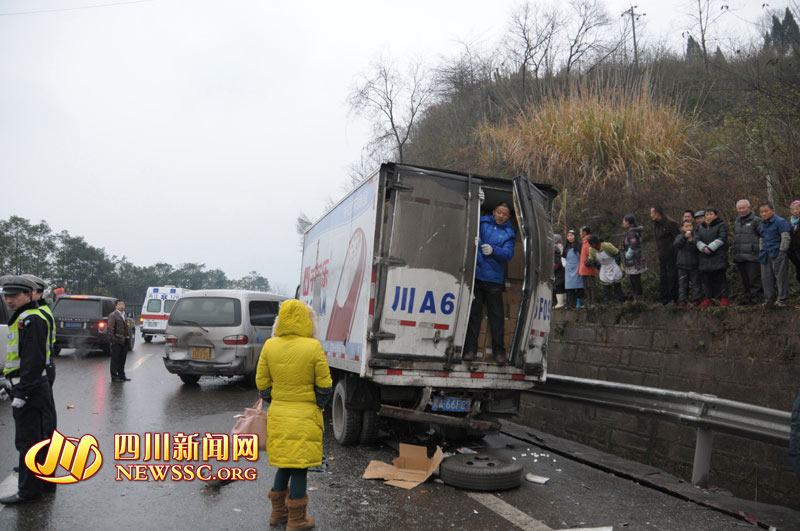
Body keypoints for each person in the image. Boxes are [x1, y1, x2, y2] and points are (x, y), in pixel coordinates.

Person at [257, 299, 332, 531]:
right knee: (299, 466)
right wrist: (317, 404)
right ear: (307, 321)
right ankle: (297, 520)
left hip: (279, 414)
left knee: (283, 465)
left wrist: (275, 399)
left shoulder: (270, 345)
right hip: (305, 415)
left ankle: (277, 514)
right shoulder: (313, 347)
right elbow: (325, 384)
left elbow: (262, 384)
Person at [0, 275, 56, 505]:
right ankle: (45, 483)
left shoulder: (30, 319)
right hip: (32, 385)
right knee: (42, 436)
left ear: (29, 295)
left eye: (15, 295)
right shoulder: (27, 316)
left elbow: (32, 361)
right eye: (6, 295)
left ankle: (28, 491)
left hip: (31, 386)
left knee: (28, 441)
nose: (9, 300)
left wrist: (22, 392)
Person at [463, 202, 515, 364]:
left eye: (504, 214)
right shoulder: (482, 223)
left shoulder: (509, 234)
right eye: (498, 212)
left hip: (494, 280)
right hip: (477, 276)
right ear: (493, 212)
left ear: (508, 217)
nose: (500, 216)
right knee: (474, 315)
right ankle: (470, 350)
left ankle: (499, 352)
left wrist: (494, 250)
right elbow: (468, 229)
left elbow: (508, 255)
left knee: (496, 317)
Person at [758, 202, 791, 307]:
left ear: (772, 211)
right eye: (761, 212)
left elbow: (785, 237)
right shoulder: (762, 224)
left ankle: (782, 299)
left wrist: (782, 251)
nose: (764, 214)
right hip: (765, 254)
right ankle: (769, 298)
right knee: (766, 278)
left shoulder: (780, 221)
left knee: (780, 277)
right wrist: (761, 249)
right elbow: (761, 238)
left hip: (777, 252)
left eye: (766, 211)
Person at [695, 208, 730, 307]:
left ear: (715, 215)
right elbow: (696, 239)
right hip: (704, 256)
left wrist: (711, 247)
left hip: (718, 255)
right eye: (707, 214)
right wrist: (703, 247)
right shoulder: (700, 227)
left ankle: (724, 298)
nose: (708, 216)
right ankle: (708, 298)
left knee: (721, 278)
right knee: (706, 280)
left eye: (711, 214)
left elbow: (722, 237)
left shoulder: (721, 225)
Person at [732, 200, 762, 305]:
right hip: (740, 255)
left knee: (754, 279)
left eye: (744, 208)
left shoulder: (756, 220)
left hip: (752, 255)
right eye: (739, 208)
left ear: (749, 208)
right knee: (745, 280)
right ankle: (747, 297)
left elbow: (762, 236)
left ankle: (756, 299)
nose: (742, 210)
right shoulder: (737, 222)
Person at [651, 205, 681, 305]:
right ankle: (664, 299)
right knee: (663, 278)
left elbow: (678, 239)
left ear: (657, 213)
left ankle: (673, 299)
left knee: (672, 277)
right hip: (662, 256)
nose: (651, 215)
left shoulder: (671, 223)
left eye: (652, 213)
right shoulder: (656, 224)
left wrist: (675, 254)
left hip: (671, 256)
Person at [587, 235, 624, 303]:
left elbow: (617, 253)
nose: (591, 245)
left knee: (617, 284)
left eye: (592, 244)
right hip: (604, 266)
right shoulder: (591, 250)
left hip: (613, 264)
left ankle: (620, 300)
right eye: (590, 244)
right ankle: (607, 302)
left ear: (596, 242)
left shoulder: (607, 246)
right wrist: (597, 266)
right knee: (605, 285)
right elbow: (591, 259)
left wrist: (617, 264)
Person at [674, 219, 702, 307]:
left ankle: (696, 299)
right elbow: (676, 245)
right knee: (683, 284)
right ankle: (682, 300)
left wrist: (691, 241)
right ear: (682, 228)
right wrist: (684, 237)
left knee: (696, 283)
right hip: (682, 265)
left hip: (694, 264)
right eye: (686, 226)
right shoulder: (679, 236)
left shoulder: (696, 236)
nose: (688, 228)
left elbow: (697, 247)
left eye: (690, 226)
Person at [621, 214, 646, 301]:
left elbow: (633, 243)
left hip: (634, 260)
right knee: (634, 279)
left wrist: (629, 253)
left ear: (627, 222)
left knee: (635, 280)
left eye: (624, 221)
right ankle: (636, 297)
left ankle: (639, 298)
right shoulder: (631, 231)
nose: (623, 222)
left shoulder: (631, 232)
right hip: (634, 259)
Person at [107, 299, 130, 382]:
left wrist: (127, 338)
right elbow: (110, 328)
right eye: (119, 304)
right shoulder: (113, 315)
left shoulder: (124, 314)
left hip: (124, 340)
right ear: (116, 306)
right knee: (115, 359)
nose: (121, 306)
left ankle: (122, 375)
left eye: (123, 304)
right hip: (116, 340)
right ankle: (114, 376)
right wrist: (113, 339)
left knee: (122, 359)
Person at [578, 226, 598, 308]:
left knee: (591, 286)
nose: (580, 233)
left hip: (589, 268)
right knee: (586, 286)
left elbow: (592, 253)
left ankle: (593, 303)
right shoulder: (584, 242)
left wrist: (589, 261)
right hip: (584, 268)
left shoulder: (589, 241)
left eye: (581, 232)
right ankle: (588, 302)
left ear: (585, 232)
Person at [563, 230, 584, 309]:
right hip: (568, 269)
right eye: (568, 236)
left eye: (571, 235)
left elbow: (583, 256)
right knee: (569, 287)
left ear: (575, 236)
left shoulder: (580, 245)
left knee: (579, 286)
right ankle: (569, 303)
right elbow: (563, 257)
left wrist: (581, 265)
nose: (570, 237)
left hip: (578, 267)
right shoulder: (566, 247)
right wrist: (565, 265)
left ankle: (578, 302)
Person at [788, 200, 800, 285]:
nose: (795, 211)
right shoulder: (789, 223)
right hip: (795, 255)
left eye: (797, 209)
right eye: (793, 210)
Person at [553, 235, 566, 309]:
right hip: (562, 269)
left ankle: (560, 303)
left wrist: (553, 268)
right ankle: (563, 302)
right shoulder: (561, 247)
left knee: (558, 285)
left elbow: (557, 260)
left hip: (559, 269)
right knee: (561, 285)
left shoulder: (556, 247)